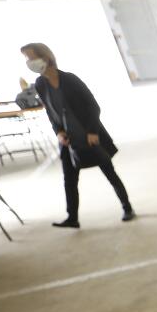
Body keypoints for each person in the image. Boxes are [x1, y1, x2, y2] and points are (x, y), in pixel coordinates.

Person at [21, 43, 133, 228]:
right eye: (26, 59)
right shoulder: (41, 84)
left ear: (45, 58)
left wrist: (92, 132)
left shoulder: (70, 79)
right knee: (69, 180)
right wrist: (58, 132)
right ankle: (72, 218)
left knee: (109, 172)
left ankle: (127, 207)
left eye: (30, 57)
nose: (28, 62)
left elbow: (93, 106)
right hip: (68, 139)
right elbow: (50, 111)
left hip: (89, 135)